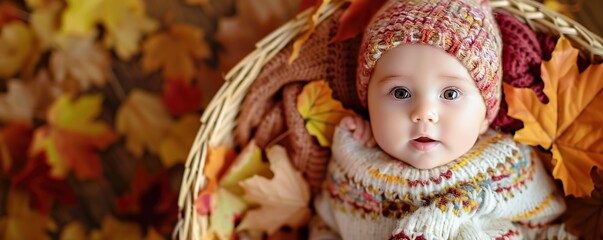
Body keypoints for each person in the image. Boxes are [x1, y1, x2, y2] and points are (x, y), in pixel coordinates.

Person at [311, 0, 571, 239]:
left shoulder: (506, 161)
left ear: (484, 117)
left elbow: (546, 223)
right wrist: (358, 138)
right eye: (400, 92)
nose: (424, 112)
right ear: (369, 105)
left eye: (450, 93)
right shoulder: (355, 163)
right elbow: (326, 225)